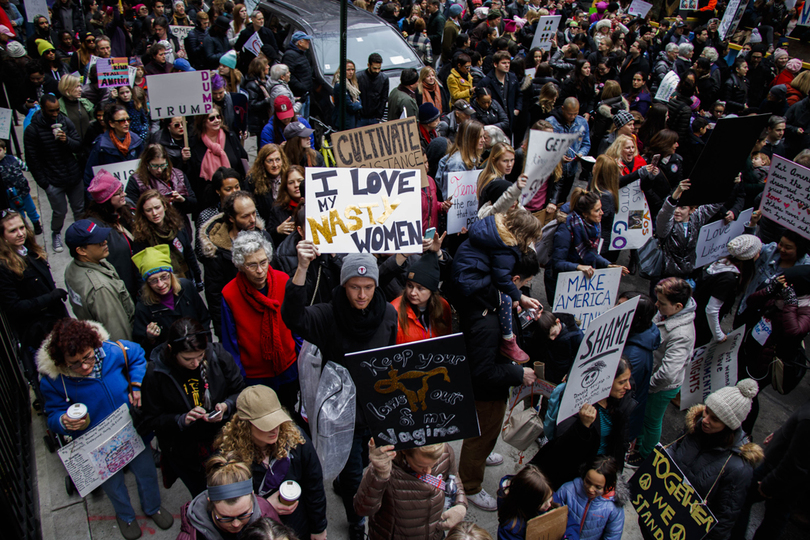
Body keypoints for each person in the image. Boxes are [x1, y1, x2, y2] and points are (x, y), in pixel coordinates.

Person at [281, 249, 398, 540]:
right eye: (354, 287)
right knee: (352, 474)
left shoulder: (388, 313)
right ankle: (356, 521)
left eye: (368, 287)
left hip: (375, 409)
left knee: (369, 463)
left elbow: (391, 357)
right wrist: (302, 268)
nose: (361, 295)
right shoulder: (328, 314)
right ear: (344, 285)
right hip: (341, 414)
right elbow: (293, 317)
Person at [37, 318, 172, 540]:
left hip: (131, 429)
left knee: (146, 472)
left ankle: (153, 507)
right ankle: (125, 516)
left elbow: (138, 356)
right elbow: (52, 415)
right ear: (61, 361)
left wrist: (136, 384)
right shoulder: (53, 381)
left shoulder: (112, 351)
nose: (84, 366)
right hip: (96, 443)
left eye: (88, 357)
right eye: (75, 363)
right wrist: (63, 421)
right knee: (113, 485)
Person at [140, 316, 242, 495]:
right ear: (172, 350)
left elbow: (240, 390)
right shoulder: (156, 374)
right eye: (188, 359)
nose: (195, 364)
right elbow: (151, 419)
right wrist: (181, 419)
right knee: (202, 492)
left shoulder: (217, 354)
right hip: (186, 452)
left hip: (223, 441)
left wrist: (226, 405)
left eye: (200, 356)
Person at [214, 385, 328, 540]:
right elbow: (229, 513)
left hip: (298, 526)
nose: (275, 428)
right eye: (266, 424)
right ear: (245, 425)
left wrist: (318, 528)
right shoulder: (229, 459)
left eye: (277, 420)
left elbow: (314, 486)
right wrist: (264, 506)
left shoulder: (295, 439)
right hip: (258, 532)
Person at [668, 380, 763, 540]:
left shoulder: (738, 468)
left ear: (729, 425)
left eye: (715, 419)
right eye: (707, 411)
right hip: (664, 516)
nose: (705, 420)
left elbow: (723, 521)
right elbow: (673, 451)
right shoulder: (695, 428)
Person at [531, 358, 634, 489]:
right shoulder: (577, 398)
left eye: (628, 380)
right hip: (574, 475)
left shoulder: (622, 401)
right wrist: (582, 426)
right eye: (622, 382)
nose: (628, 386)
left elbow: (621, 443)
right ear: (606, 380)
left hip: (601, 474)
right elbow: (561, 445)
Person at [626, 277, 696, 467]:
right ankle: (637, 445)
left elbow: (668, 373)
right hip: (651, 378)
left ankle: (645, 455)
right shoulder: (667, 315)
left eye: (662, 303)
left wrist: (648, 386)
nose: (657, 305)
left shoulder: (682, 334)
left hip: (660, 387)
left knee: (651, 420)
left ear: (678, 306)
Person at [221, 231, 298, 402]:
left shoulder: (283, 280)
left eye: (263, 262)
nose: (260, 270)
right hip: (256, 376)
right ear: (241, 266)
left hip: (289, 367)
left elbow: (295, 324)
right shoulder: (229, 294)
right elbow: (230, 341)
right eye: (252, 265)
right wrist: (239, 378)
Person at [737, 266, 810, 434]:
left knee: (749, 395)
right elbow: (752, 301)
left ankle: (744, 434)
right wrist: (769, 289)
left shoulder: (806, 307)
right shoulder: (779, 293)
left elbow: (794, 331)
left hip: (768, 360)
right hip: (752, 347)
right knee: (738, 386)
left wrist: (790, 303)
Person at [0, 210, 68, 383]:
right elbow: (14, 307)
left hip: (57, 322)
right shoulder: (4, 267)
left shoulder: (29, 251)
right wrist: (51, 297)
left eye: (22, 227)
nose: (20, 233)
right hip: (39, 332)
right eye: (13, 230)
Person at [355, 438, 468, 539]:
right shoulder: (386, 466)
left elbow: (452, 479)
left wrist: (460, 505)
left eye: (433, 464)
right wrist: (379, 475)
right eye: (420, 466)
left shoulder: (446, 452)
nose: (428, 471)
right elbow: (362, 509)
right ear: (404, 451)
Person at [733, 395, 810, 540]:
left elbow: (796, 464)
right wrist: (783, 431)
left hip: (777, 471)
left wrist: (770, 484)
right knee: (777, 515)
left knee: (743, 498)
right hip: (789, 476)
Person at [199, 191, 272, 338]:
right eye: (245, 216)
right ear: (231, 218)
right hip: (239, 319)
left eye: (253, 213)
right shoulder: (217, 252)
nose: (252, 220)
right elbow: (215, 296)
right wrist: (224, 334)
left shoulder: (263, 236)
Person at [23, 94, 85, 253]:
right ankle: (56, 233)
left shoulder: (65, 121)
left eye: (57, 110)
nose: (55, 113)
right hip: (53, 180)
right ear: (43, 109)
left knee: (79, 209)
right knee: (60, 212)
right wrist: (45, 184)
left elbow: (78, 145)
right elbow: (32, 159)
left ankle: (81, 236)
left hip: (73, 175)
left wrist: (67, 141)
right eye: (51, 111)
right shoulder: (33, 130)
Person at [544, 189, 626, 308]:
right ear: (585, 214)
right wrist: (579, 267)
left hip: (577, 281)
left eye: (601, 208)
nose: (602, 213)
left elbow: (590, 253)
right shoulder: (565, 230)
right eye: (597, 210)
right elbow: (557, 263)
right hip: (561, 283)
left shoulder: (594, 225)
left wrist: (608, 264)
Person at [178, 453, 282, 539]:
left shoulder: (266, 514)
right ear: (211, 502)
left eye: (244, 515)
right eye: (225, 518)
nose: (236, 524)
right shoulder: (192, 535)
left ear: (252, 496)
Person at [63, 220, 135, 342]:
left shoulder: (72, 268)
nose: (105, 242)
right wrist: (129, 355)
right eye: (98, 242)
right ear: (81, 251)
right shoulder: (101, 289)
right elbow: (119, 334)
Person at [131, 245, 209, 356]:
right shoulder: (144, 306)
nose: (160, 284)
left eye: (164, 277)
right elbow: (142, 348)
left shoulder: (186, 287)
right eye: (153, 281)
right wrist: (150, 338)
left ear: (171, 274)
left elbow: (204, 318)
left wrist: (206, 347)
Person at [694, 235, 762, 346]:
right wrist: (718, 335)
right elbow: (712, 309)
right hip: (700, 324)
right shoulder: (728, 279)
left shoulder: (722, 262)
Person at [85, 170, 138, 299]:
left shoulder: (128, 207)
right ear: (107, 199)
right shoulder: (97, 229)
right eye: (119, 192)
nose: (124, 194)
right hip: (126, 284)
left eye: (122, 189)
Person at [132, 189, 201, 284]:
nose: (154, 213)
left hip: (186, 277)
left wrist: (197, 277)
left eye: (157, 208)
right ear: (143, 213)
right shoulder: (142, 237)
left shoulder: (177, 226)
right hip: (161, 284)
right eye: (149, 210)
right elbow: (141, 270)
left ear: (164, 207)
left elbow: (189, 253)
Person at [553, 456, 625, 540]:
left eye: (598, 487)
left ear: (610, 485)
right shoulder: (567, 490)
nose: (590, 489)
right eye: (587, 482)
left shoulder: (614, 508)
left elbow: (613, 535)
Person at [188, 105, 248, 203]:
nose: (216, 120)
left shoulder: (230, 136)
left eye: (218, 116)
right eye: (211, 118)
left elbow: (243, 159)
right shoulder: (195, 143)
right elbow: (193, 175)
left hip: (235, 195)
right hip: (208, 199)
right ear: (203, 121)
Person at [391, 251, 452, 344]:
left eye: (420, 288)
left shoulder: (443, 306)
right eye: (410, 286)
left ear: (431, 291)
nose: (413, 293)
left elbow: (448, 341)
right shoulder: (394, 310)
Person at [126, 143, 196, 216]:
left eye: (162, 165)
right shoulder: (136, 180)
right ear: (146, 163)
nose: (159, 170)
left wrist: (182, 200)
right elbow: (132, 208)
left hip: (179, 220)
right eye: (155, 166)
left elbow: (194, 204)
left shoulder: (178, 175)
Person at [84, 104, 145, 187]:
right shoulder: (101, 146)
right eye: (121, 121)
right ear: (111, 124)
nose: (126, 123)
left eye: (128, 119)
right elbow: (90, 174)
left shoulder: (137, 141)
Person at [546, 97, 591, 208]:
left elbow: (586, 143)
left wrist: (581, 154)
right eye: (570, 114)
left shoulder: (582, 123)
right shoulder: (551, 122)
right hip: (553, 170)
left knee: (563, 198)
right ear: (563, 109)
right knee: (550, 200)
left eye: (575, 114)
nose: (572, 117)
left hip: (571, 169)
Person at [496, 465, 555, 540]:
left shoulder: (544, 492)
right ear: (527, 503)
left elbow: (569, 522)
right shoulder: (510, 531)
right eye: (541, 503)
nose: (549, 504)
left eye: (550, 497)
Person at [281, 31, 314, 119]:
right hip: (299, 96)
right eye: (306, 40)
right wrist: (301, 87)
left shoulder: (301, 54)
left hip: (305, 95)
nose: (308, 42)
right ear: (299, 42)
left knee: (305, 121)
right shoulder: (290, 55)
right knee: (299, 121)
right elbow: (288, 76)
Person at [57, 74, 94, 143]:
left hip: (88, 146)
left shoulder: (85, 103)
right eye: (77, 87)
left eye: (80, 86)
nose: (80, 89)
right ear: (67, 88)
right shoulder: (58, 107)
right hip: (70, 147)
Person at [356, 53, 390, 126]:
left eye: (379, 68)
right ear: (369, 65)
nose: (377, 71)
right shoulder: (359, 78)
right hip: (361, 116)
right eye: (375, 68)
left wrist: (379, 115)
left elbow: (384, 98)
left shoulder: (384, 79)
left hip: (374, 117)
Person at [332, 59, 363, 130]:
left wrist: (357, 104)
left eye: (352, 70)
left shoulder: (352, 84)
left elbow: (359, 98)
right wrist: (358, 105)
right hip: (345, 122)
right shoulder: (339, 85)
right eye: (348, 70)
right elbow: (350, 106)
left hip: (353, 120)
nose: (351, 72)